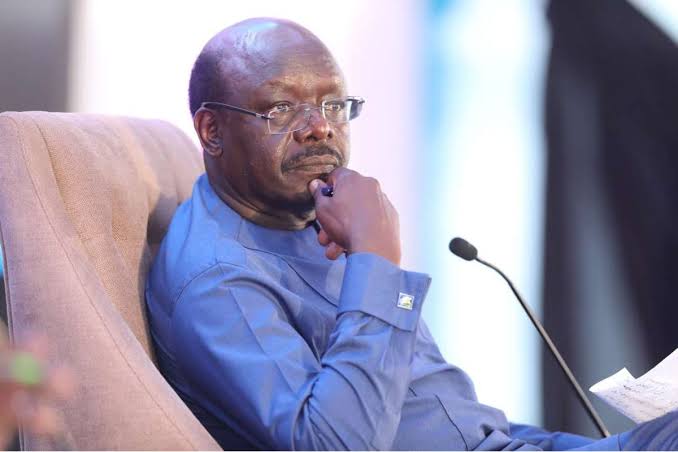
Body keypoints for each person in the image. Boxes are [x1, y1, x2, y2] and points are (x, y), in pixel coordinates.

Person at [145, 18, 678, 450]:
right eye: (282, 108)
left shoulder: (315, 219)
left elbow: (443, 418)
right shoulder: (219, 282)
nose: (320, 127)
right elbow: (335, 444)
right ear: (211, 131)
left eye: (333, 106)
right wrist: (377, 261)